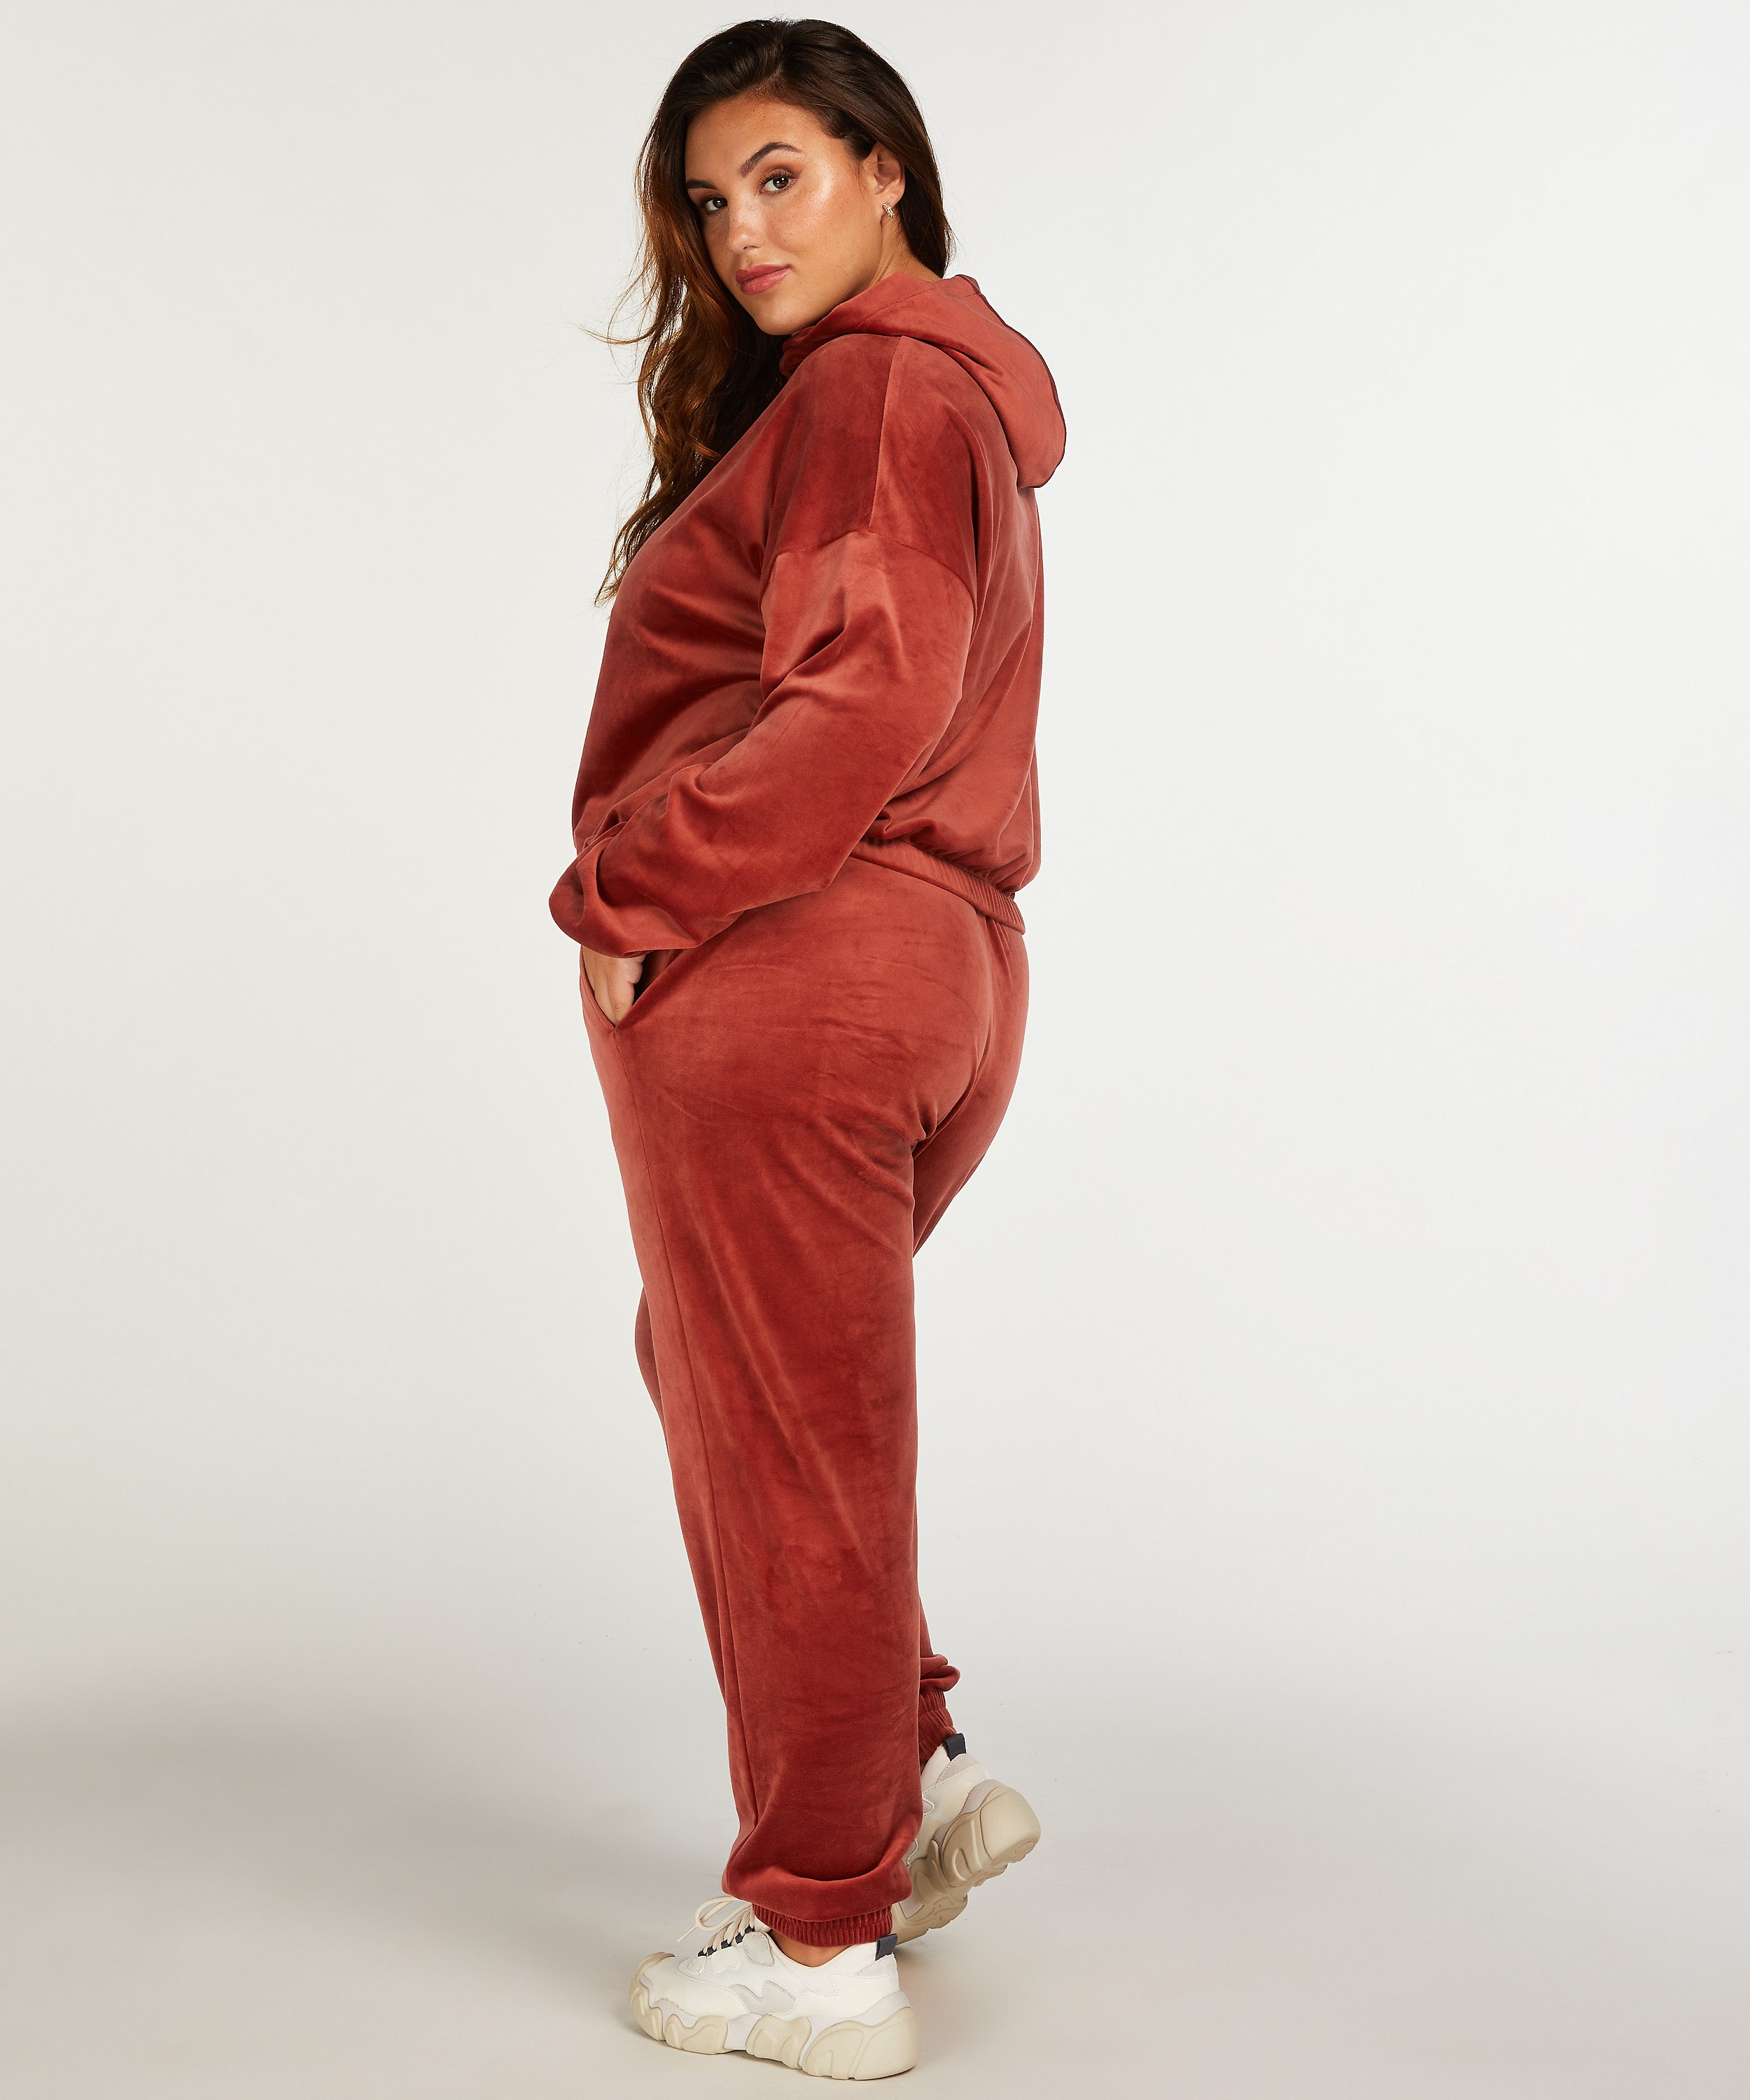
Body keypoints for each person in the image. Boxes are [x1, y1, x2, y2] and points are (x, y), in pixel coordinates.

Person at [550, 18, 1064, 2079]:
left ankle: (819, 1941)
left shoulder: (871, 385)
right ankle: (900, 1786)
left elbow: (858, 700)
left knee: (790, 1446)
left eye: (781, 176)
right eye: (708, 200)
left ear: (884, 173)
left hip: (801, 965)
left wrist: (630, 890)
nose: (741, 231)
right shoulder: (942, 396)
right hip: (937, 964)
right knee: (748, 1386)